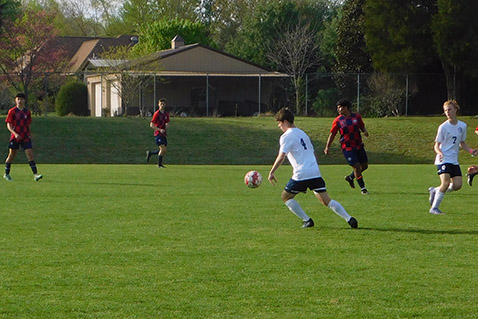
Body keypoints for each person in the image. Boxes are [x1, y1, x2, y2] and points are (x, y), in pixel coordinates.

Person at [268, 107, 358, 229]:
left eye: (279, 123)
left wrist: (272, 172)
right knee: (326, 201)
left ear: (285, 122)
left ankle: (307, 220)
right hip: (314, 172)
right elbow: (313, 153)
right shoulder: (303, 134)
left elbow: (281, 156)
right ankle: (349, 218)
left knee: (286, 197)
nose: (279, 126)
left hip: (301, 174)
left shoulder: (286, 136)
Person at [428, 100, 478, 214]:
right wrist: (439, 153)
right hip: (443, 160)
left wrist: (471, 150)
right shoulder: (443, 127)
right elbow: (436, 145)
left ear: (456, 109)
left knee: (457, 185)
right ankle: (434, 208)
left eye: (449, 109)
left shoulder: (462, 126)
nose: (447, 112)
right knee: (445, 183)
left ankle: (435, 190)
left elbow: (462, 143)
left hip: (454, 160)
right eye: (445, 110)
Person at [324, 98, 370, 194]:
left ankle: (350, 177)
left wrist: (365, 131)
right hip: (347, 147)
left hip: (358, 146)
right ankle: (363, 188)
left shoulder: (356, 117)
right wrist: (327, 147)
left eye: (340, 107)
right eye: (338, 108)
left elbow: (362, 126)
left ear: (346, 108)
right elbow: (332, 134)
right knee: (357, 167)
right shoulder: (337, 120)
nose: (338, 109)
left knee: (364, 166)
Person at [4, 93, 42, 181]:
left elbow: (27, 125)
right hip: (15, 137)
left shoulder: (27, 112)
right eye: (18, 99)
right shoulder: (12, 111)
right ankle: (6, 174)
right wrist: (15, 134)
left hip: (25, 137)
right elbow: (8, 125)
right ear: (15, 100)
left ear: (24, 100)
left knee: (30, 154)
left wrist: (29, 135)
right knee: (11, 155)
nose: (20, 101)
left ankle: (35, 174)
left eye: (21, 99)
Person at [146, 98, 170, 168]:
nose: (162, 105)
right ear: (158, 104)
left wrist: (167, 125)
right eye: (161, 104)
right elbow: (151, 125)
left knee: (164, 150)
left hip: (164, 134)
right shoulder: (156, 114)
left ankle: (150, 153)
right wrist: (159, 129)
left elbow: (167, 122)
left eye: (163, 104)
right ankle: (159, 164)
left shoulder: (166, 114)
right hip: (158, 134)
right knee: (162, 149)